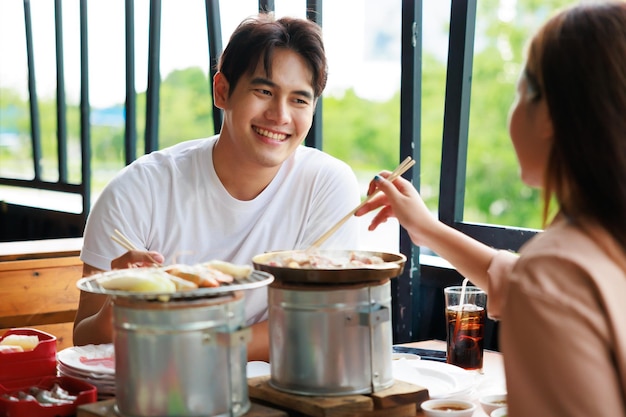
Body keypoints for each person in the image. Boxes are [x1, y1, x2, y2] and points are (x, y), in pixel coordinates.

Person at [356, 2, 626, 416]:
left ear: (550, 112)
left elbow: (541, 283)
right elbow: (516, 279)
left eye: (520, 90)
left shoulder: (557, 270)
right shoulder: (598, 249)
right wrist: (425, 228)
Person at [74, 13, 362, 362]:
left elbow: (321, 323)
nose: (280, 115)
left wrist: (191, 343)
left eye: (299, 100)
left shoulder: (327, 184)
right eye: (264, 91)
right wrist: (120, 305)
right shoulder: (138, 189)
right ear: (222, 91)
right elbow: (84, 340)